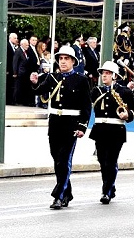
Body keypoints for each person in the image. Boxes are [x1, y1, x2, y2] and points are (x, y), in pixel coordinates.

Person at [30, 46, 92, 209]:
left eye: (67, 59)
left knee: (64, 161)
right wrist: (34, 82)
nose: (63, 61)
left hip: (71, 124)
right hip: (55, 124)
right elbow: (40, 91)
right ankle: (67, 193)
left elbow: (86, 106)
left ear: (73, 61)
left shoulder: (81, 80)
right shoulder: (52, 77)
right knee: (58, 161)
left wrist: (82, 126)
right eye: (61, 58)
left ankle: (58, 196)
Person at [89, 61, 134, 204]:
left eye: (107, 73)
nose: (104, 76)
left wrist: (128, 116)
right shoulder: (96, 91)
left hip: (116, 130)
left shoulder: (124, 92)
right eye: (103, 73)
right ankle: (110, 186)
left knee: (110, 161)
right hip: (100, 130)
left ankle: (106, 191)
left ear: (114, 76)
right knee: (102, 161)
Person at [13, 39, 31, 106]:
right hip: (19, 72)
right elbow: (15, 62)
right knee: (17, 87)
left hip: (24, 73)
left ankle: (21, 100)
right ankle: (15, 101)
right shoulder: (18, 51)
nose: (28, 46)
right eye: (26, 45)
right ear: (22, 44)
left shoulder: (25, 52)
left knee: (21, 87)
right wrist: (15, 72)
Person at [6, 33, 18, 105]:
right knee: (8, 85)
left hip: (12, 69)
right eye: (15, 38)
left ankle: (11, 100)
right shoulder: (7, 45)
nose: (16, 40)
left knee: (11, 85)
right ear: (10, 38)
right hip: (8, 69)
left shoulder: (13, 46)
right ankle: (8, 100)